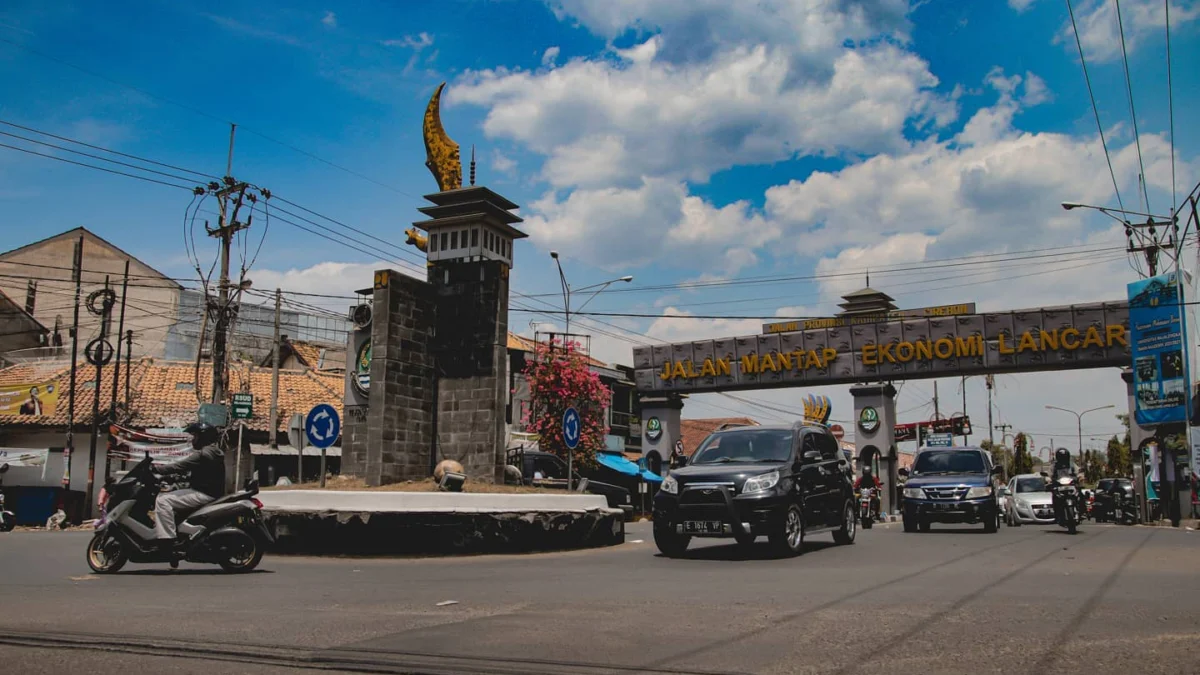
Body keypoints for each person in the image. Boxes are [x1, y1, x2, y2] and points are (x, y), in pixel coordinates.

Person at [151, 421, 225, 547]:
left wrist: (156, 468)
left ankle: (167, 540)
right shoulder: (211, 451)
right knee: (171, 494)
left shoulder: (203, 454)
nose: (192, 440)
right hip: (207, 491)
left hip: (204, 493)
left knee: (163, 500)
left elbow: (179, 466)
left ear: (203, 437)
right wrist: (171, 478)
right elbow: (193, 474)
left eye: (195, 436)